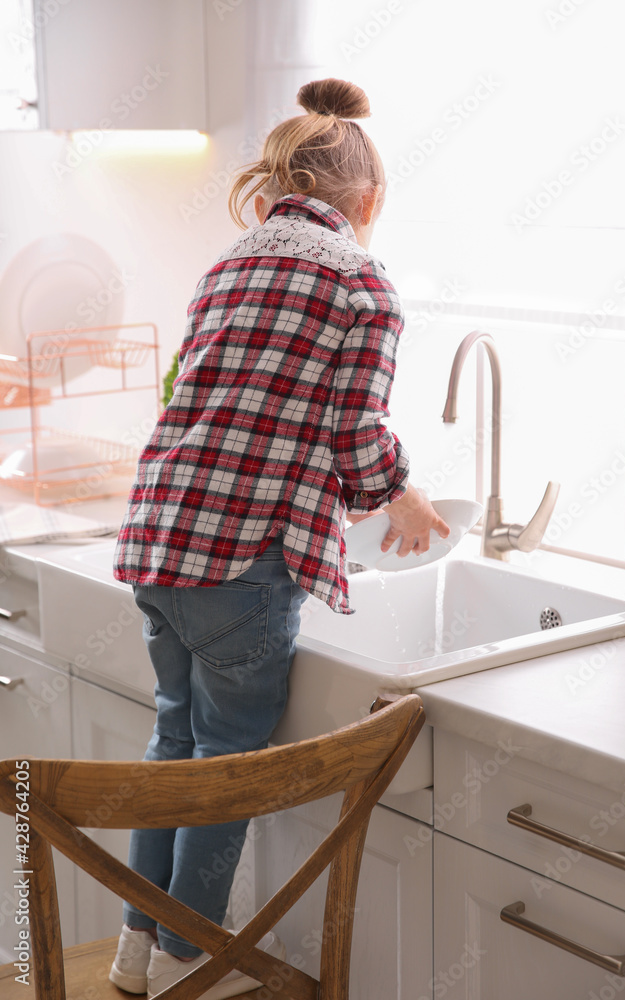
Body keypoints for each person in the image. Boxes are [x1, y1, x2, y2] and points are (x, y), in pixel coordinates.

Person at [108, 77, 449, 999]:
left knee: (173, 743)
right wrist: (403, 499)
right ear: (367, 202)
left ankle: (137, 949)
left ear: (275, 186)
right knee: (229, 763)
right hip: (241, 555)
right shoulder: (361, 282)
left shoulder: (229, 262)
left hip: (159, 534)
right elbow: (353, 433)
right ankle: (189, 960)